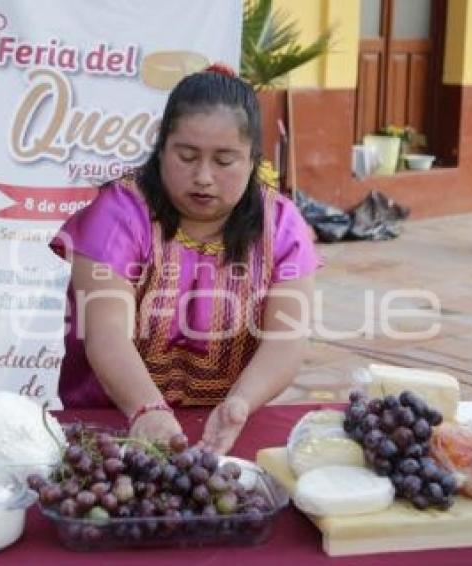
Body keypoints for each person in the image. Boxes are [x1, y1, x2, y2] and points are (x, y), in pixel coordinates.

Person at [49, 65, 319, 454]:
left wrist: (240, 403)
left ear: (252, 160)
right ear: (162, 150)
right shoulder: (120, 214)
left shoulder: (281, 225)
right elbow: (106, 331)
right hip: (114, 425)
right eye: (187, 156)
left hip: (226, 430)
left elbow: (286, 340)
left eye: (225, 161)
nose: (204, 176)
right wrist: (147, 409)